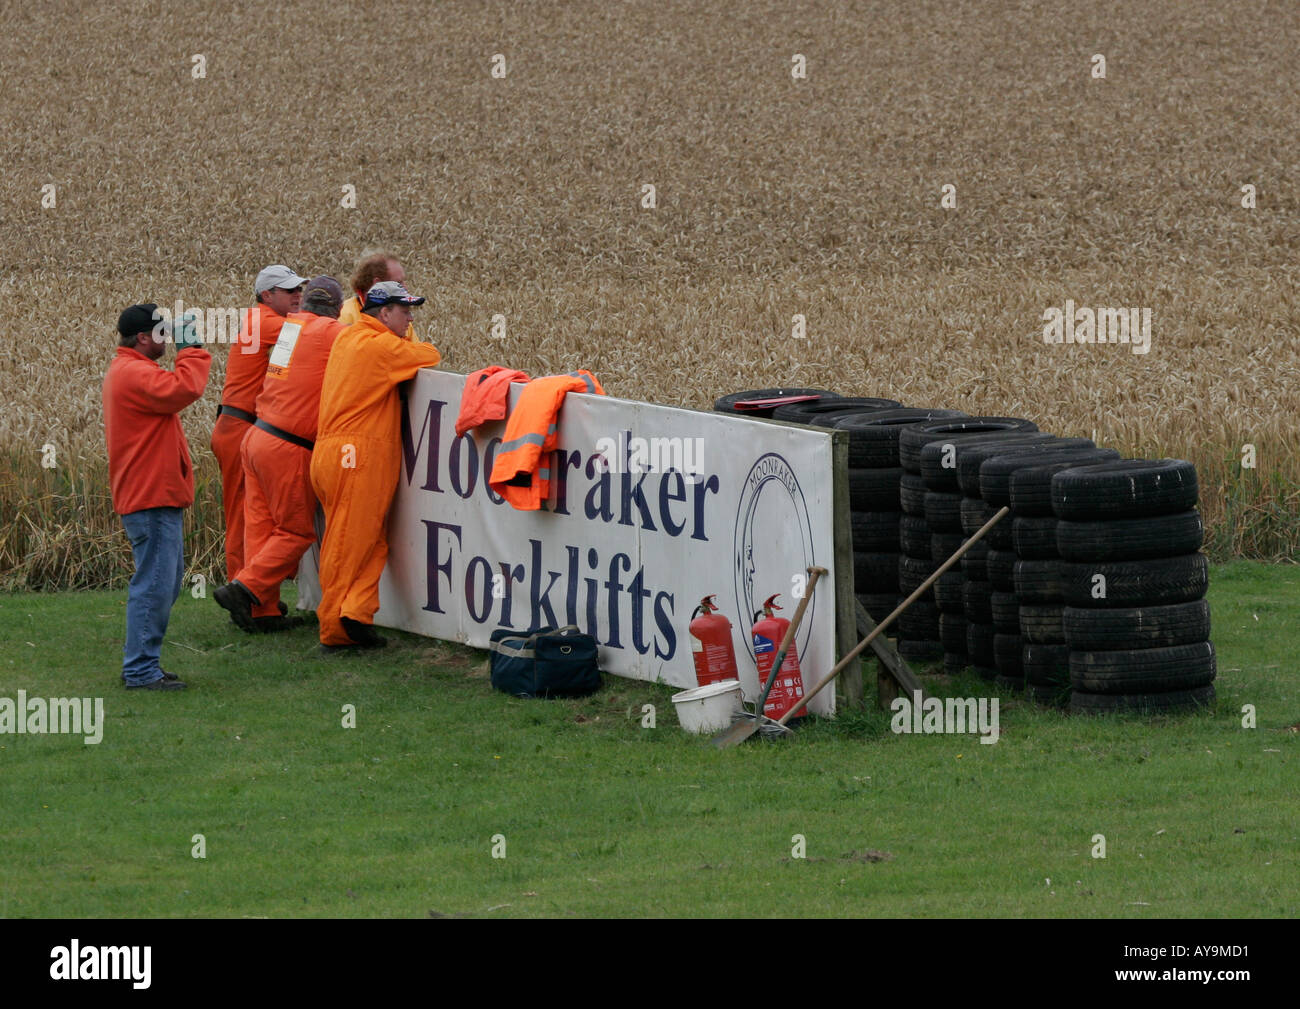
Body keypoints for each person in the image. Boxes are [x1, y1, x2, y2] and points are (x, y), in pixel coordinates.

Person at [311, 281, 442, 651]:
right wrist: (408, 341)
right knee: (348, 546)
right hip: (357, 459)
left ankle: (356, 615)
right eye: (405, 312)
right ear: (384, 313)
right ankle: (334, 630)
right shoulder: (381, 347)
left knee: (370, 540)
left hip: (331, 454)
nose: (410, 318)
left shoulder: (348, 338)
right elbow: (430, 355)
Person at [215, 276, 345, 633]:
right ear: (335, 309)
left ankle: (263, 611)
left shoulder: (291, 327)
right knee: (295, 531)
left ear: (306, 304)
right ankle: (245, 588)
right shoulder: (328, 331)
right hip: (288, 445)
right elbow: (365, 349)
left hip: (255, 437)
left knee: (258, 527)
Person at [103, 304, 211, 689]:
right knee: (155, 585)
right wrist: (193, 350)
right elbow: (185, 389)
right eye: (163, 333)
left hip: (153, 494)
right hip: (150, 496)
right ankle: (141, 671)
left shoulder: (133, 369)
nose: (169, 339)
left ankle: (144, 665)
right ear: (144, 338)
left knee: (165, 582)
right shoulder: (133, 373)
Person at [209, 265, 307, 585]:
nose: (298, 295)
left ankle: (252, 592)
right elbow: (314, 335)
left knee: (253, 517)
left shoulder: (259, 319)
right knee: (243, 519)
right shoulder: (265, 321)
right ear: (267, 295)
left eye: (299, 289)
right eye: (289, 290)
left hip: (240, 427)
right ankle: (241, 591)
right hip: (241, 427)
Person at [338, 251, 417, 339]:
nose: (405, 288)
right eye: (398, 283)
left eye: (404, 281)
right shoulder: (345, 316)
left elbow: (416, 350)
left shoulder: (401, 316)